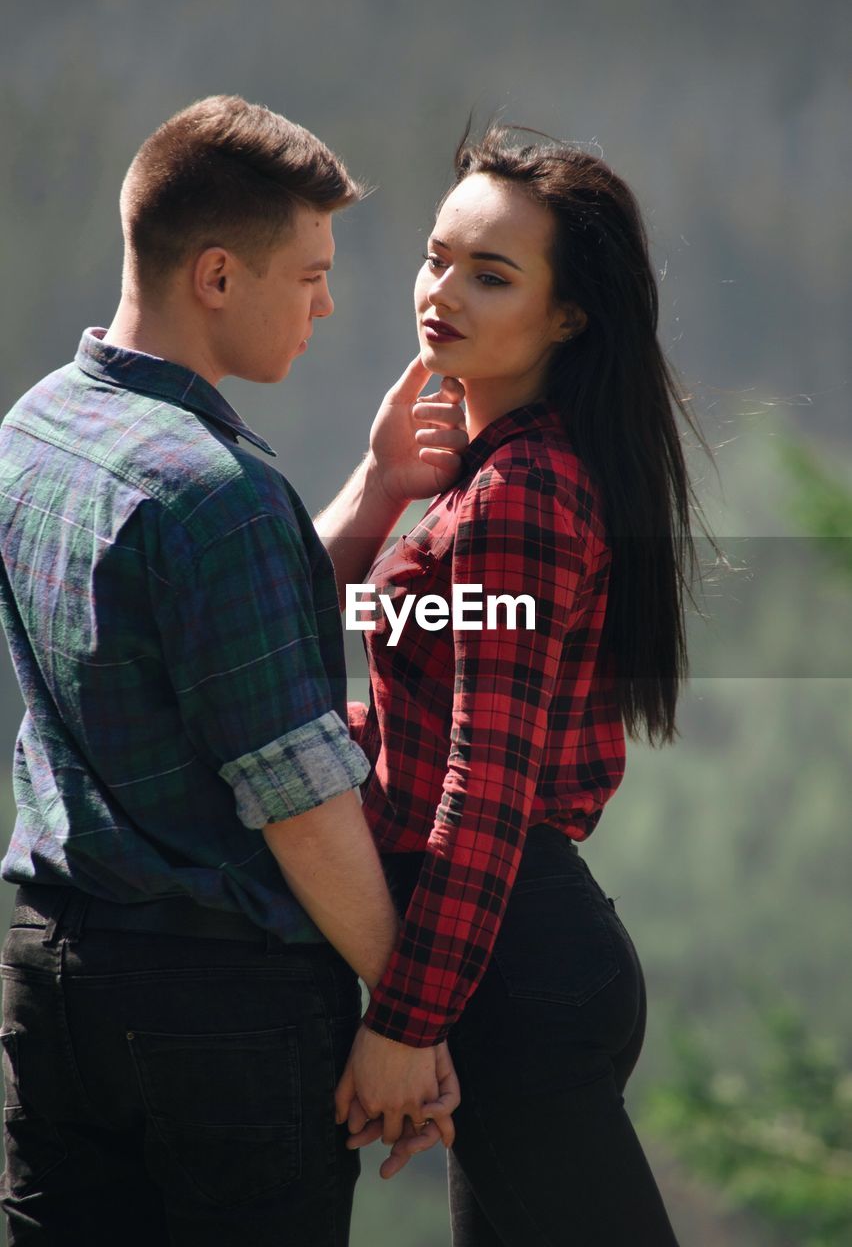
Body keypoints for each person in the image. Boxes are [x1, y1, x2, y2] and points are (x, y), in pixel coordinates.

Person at [0, 94, 465, 1246]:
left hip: (47, 973)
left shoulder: (39, 425)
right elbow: (300, 798)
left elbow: (194, 634)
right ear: (217, 275)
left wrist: (374, 485)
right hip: (220, 1012)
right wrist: (410, 1014)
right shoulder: (218, 492)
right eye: (307, 274)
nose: (328, 303)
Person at [335, 125, 719, 1243]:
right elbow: (420, 727)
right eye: (435, 255)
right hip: (508, 960)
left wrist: (406, 1021)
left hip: (512, 972)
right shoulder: (494, 477)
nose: (440, 291)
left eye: (490, 274)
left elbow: (486, 786)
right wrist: (374, 490)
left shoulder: (522, 494)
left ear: (568, 317)